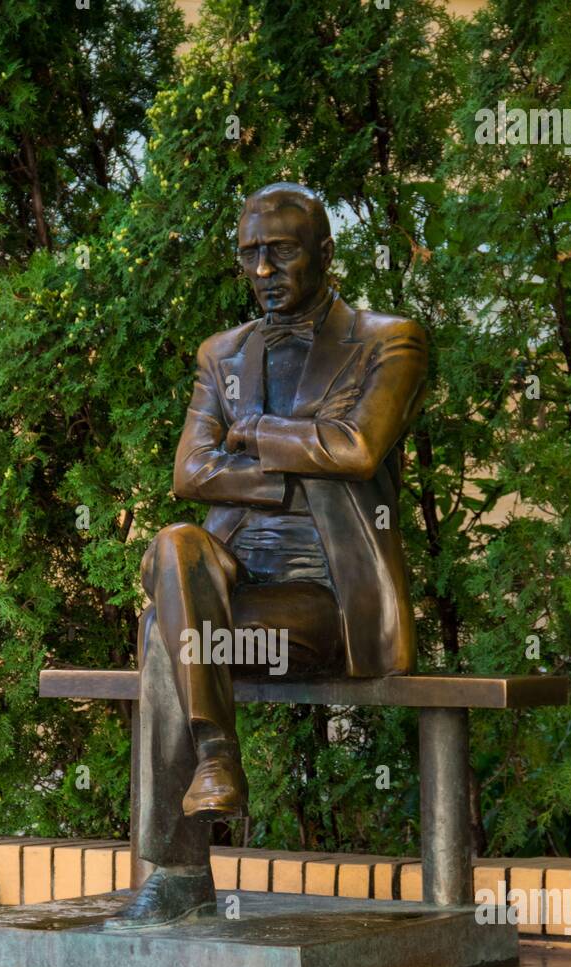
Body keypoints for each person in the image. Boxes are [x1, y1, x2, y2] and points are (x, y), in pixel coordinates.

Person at [124, 182, 427, 924]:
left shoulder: (390, 340)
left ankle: (177, 876)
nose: (263, 269)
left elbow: (357, 449)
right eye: (250, 254)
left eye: (281, 251)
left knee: (171, 638)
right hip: (230, 580)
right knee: (174, 548)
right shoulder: (220, 353)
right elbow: (189, 474)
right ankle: (216, 755)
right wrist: (297, 469)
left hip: (324, 596)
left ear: (324, 253)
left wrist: (252, 431)